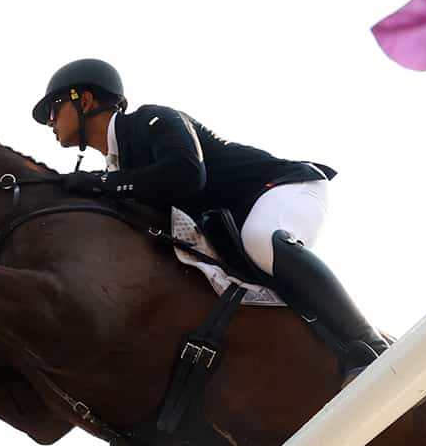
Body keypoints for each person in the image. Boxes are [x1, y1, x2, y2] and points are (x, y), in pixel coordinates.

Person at [31, 58, 390, 382]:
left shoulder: (151, 119)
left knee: (262, 240)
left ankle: (367, 342)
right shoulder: (119, 166)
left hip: (284, 187)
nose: (49, 121)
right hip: (234, 220)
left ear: (86, 101)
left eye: (54, 108)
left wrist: (99, 183)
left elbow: (187, 174)